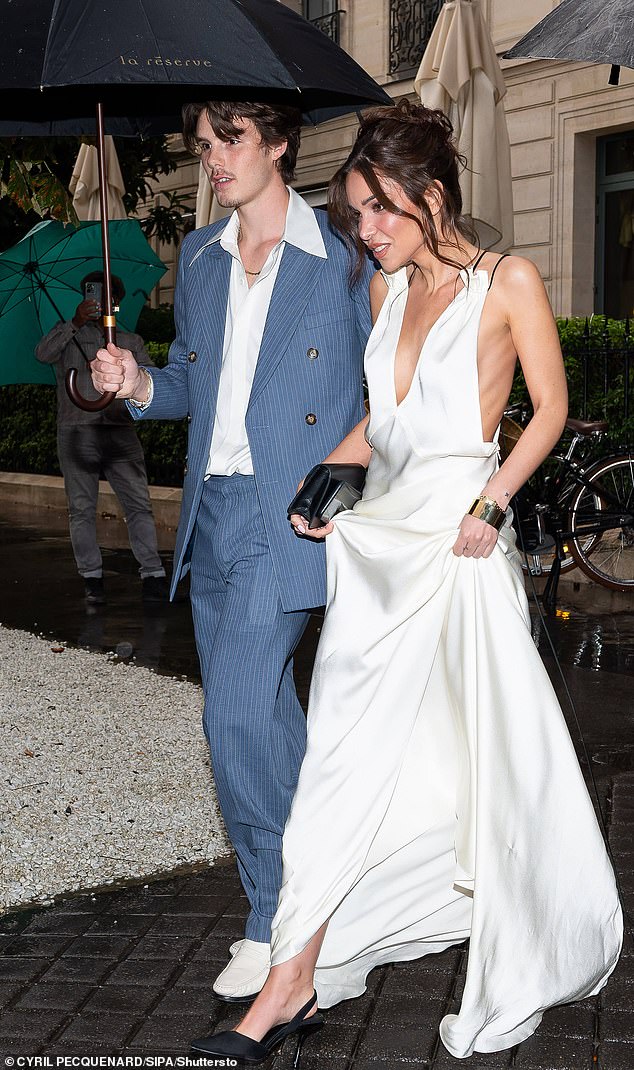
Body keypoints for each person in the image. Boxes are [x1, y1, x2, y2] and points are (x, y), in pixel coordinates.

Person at [192, 101, 623, 1064]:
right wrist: (327, 477)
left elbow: (548, 409)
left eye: (380, 211)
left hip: (459, 552)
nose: (367, 232)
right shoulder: (386, 294)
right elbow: (378, 422)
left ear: (431, 197)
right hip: (378, 555)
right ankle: (293, 976)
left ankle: (294, 987)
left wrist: (496, 503)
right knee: (346, 765)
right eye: (356, 213)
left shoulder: (506, 280)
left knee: (491, 761)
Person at [90, 101, 372, 1002]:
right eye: (203, 145)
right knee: (267, 720)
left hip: (287, 515)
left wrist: (345, 472)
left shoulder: (341, 257)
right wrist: (139, 382)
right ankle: (325, 908)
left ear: (280, 143)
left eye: (231, 141)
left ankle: (272, 922)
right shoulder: (202, 261)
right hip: (211, 518)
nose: (212, 159)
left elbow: (388, 386)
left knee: (234, 719)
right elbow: (193, 384)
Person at [36, 273, 168, 604]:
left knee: (139, 504)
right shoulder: (69, 336)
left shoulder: (130, 342)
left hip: (120, 431)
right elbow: (43, 354)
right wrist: (75, 324)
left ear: (117, 302)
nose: (100, 300)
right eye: (93, 294)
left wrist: (133, 379)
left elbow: (151, 383)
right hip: (77, 431)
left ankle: (152, 574)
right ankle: (91, 578)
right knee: (81, 508)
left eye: (108, 296)